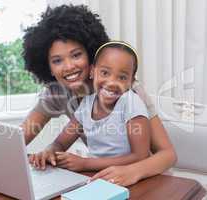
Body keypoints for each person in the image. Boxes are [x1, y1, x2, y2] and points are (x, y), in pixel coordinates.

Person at [21, 4, 176, 186]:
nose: (69, 66)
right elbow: (18, 139)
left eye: (76, 55)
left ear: (91, 56)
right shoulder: (58, 94)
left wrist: (132, 171)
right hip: (102, 179)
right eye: (57, 60)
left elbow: (168, 155)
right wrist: (49, 150)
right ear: (48, 68)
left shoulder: (128, 92)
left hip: (148, 180)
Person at [29, 41, 151, 174]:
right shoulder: (86, 105)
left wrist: (86, 163)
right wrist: (49, 151)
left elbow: (140, 156)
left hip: (130, 177)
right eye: (105, 73)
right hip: (98, 176)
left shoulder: (131, 103)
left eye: (122, 77)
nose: (111, 82)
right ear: (92, 72)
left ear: (131, 82)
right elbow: (61, 143)